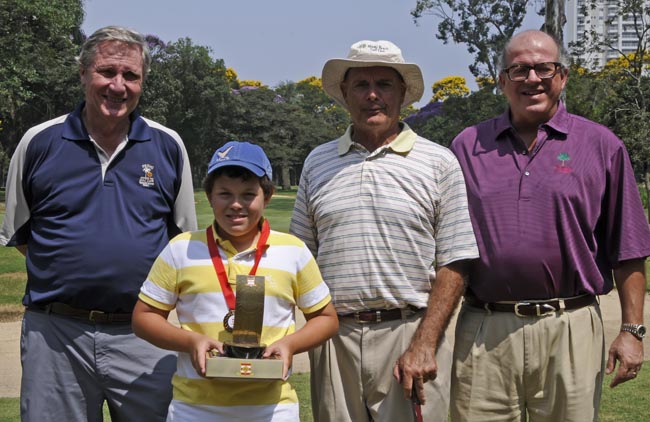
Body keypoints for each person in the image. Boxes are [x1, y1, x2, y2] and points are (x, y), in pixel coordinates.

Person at [449, 29, 650, 421]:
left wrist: (633, 331)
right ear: (502, 80)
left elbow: (628, 250)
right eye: (520, 69)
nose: (533, 78)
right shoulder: (467, 146)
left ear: (562, 76)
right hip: (483, 328)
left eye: (544, 67)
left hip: (570, 326)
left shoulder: (602, 146)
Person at [0, 26, 197, 421]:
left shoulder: (167, 145)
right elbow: (24, 236)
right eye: (107, 72)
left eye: (131, 76)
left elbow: (182, 243)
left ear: (142, 83)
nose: (118, 86)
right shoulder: (38, 141)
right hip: (55, 334)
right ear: (83, 74)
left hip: (144, 334)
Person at [290, 40, 479, 422]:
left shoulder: (439, 162)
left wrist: (425, 342)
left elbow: (455, 262)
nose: (372, 95)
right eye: (360, 85)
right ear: (344, 94)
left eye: (384, 84)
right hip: (334, 337)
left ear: (403, 93)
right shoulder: (317, 162)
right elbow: (298, 257)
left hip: (410, 331)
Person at [132, 140, 339, 421]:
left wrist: (290, 345)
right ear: (209, 196)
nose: (236, 205)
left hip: (273, 408)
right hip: (195, 408)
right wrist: (191, 341)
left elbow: (326, 318)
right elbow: (144, 318)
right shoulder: (181, 249)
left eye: (248, 194)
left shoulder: (293, 250)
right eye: (225, 194)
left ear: (266, 197)